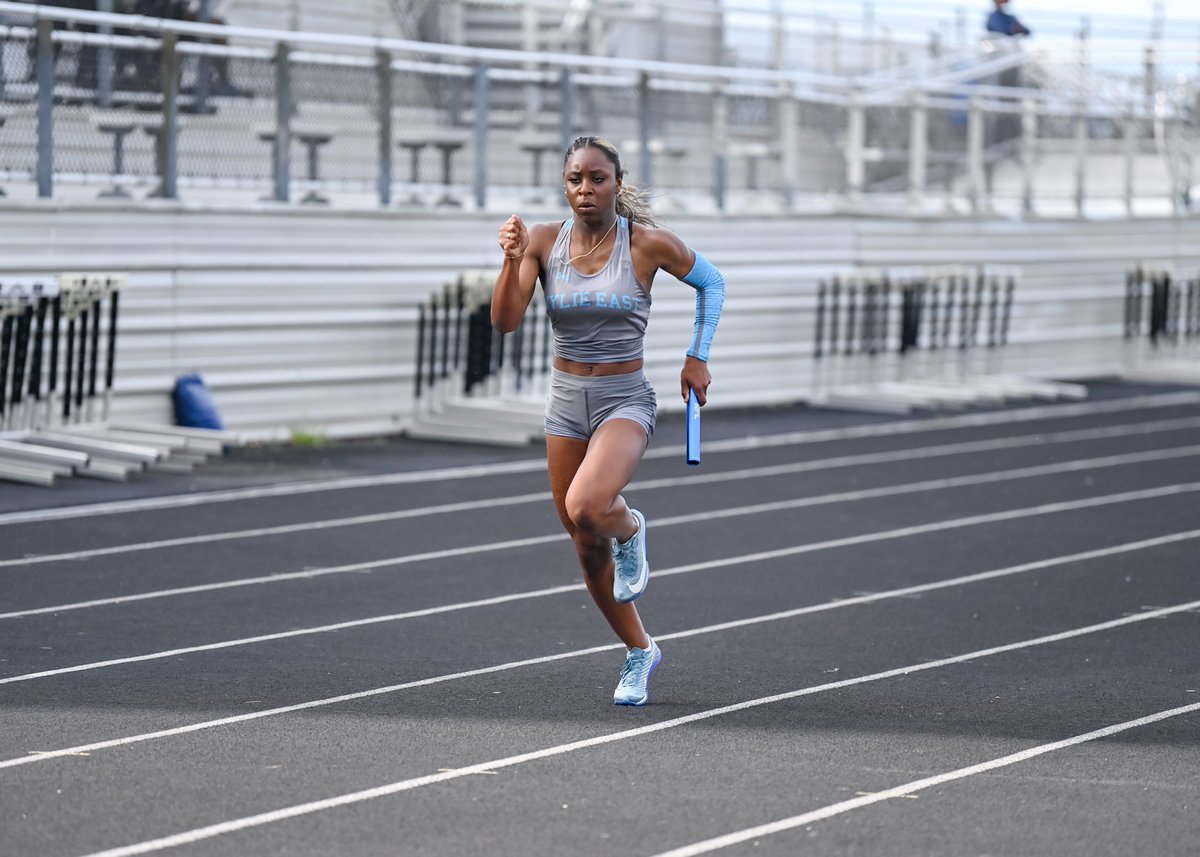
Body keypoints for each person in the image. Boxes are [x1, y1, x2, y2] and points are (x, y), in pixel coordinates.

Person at [491, 135, 725, 707]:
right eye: (575, 179)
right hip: (566, 402)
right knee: (583, 544)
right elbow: (505, 322)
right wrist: (511, 259)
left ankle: (631, 529)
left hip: (624, 398)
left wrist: (697, 357)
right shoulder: (543, 241)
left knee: (588, 506)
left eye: (597, 178)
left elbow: (711, 283)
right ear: (564, 184)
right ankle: (640, 651)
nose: (586, 189)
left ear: (617, 184)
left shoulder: (646, 244)